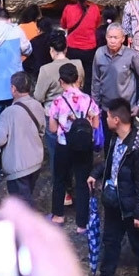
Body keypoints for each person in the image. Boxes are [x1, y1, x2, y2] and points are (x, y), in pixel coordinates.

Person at [91, 98, 139, 276]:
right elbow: (112, 163)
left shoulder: (138, 148)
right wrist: (96, 173)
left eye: (108, 116)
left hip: (130, 203)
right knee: (110, 239)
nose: (106, 119)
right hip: (114, 200)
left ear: (117, 119)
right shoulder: (115, 139)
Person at [50, 62, 103, 230]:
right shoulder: (88, 100)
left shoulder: (58, 102)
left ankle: (58, 215)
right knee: (82, 182)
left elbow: (52, 128)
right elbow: (95, 124)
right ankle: (82, 223)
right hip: (84, 146)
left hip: (64, 145)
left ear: (61, 81)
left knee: (59, 179)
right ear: (78, 79)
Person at [0, 69, 46, 202]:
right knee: (28, 194)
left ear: (13, 88)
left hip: (18, 167)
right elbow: (42, 130)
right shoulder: (37, 105)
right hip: (36, 161)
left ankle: (29, 223)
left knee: (22, 205)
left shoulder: (8, 113)